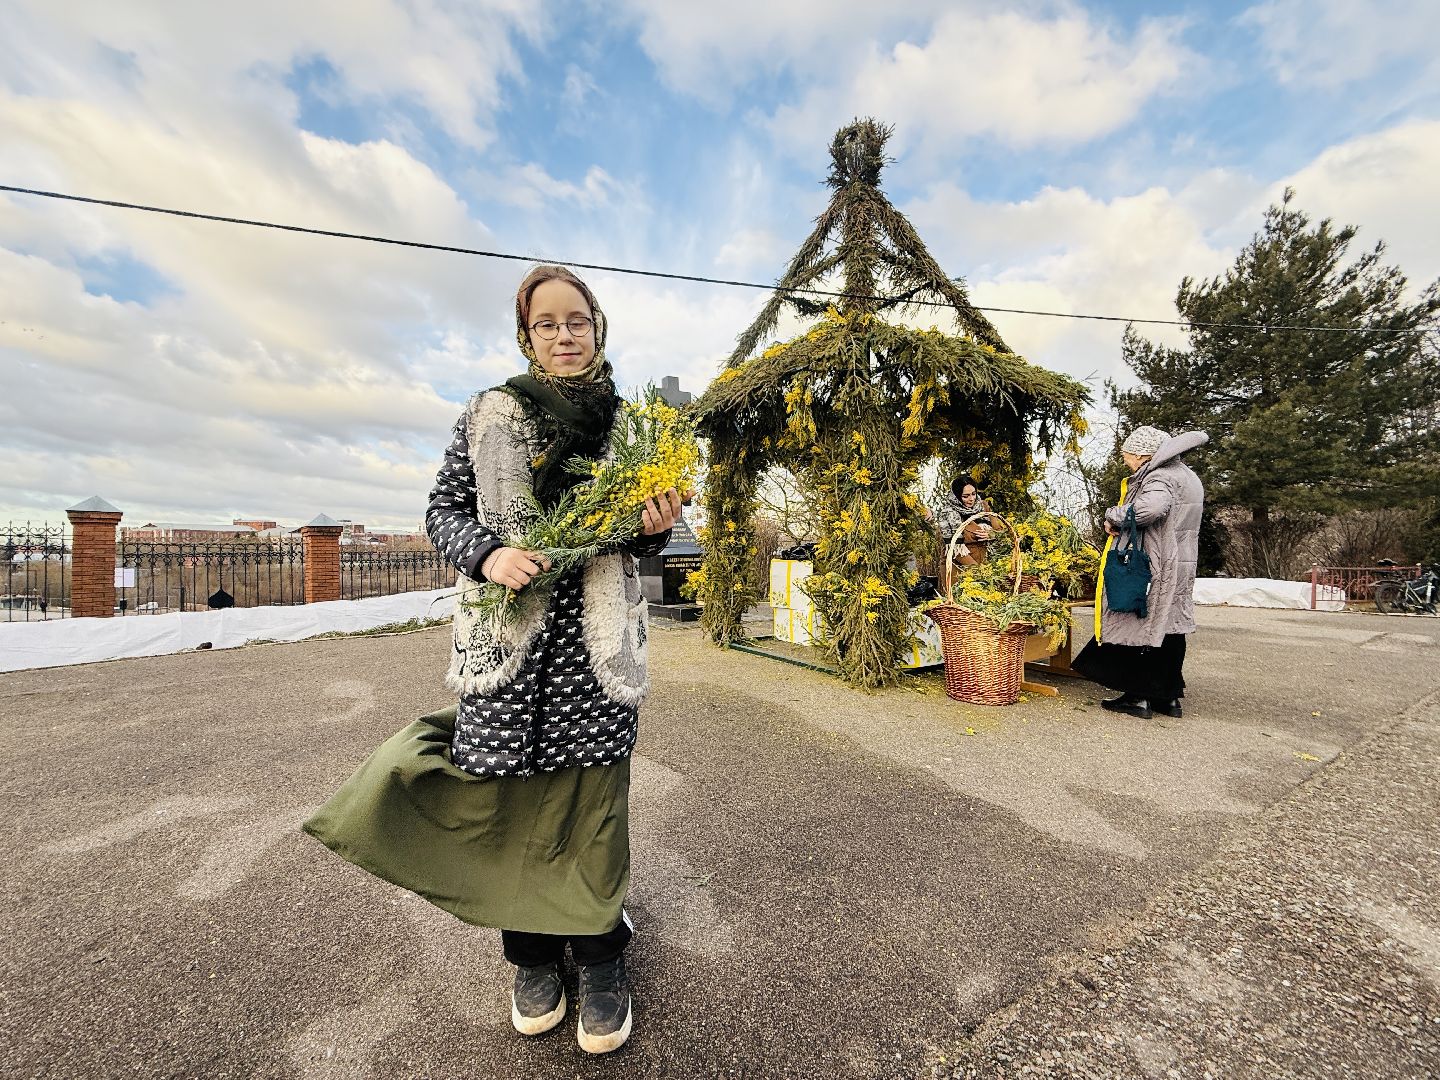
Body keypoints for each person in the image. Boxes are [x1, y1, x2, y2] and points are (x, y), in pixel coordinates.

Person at [304, 264, 682, 1055]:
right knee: (509, 802)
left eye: (577, 320)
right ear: (527, 336)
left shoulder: (636, 425)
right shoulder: (491, 413)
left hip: (596, 644)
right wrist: (488, 554)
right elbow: (442, 510)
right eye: (547, 324)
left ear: (598, 326)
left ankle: (603, 956)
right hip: (509, 644)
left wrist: (654, 527)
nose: (564, 334)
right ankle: (533, 958)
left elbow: (644, 542)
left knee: (593, 805)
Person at [1072, 425, 1208, 719]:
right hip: (1180, 561)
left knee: (1142, 622)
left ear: (1143, 454)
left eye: (1128, 456)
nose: (1126, 462)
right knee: (1170, 626)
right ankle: (1167, 696)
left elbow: (1149, 510)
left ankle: (1138, 697)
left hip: (1156, 562)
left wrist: (1114, 515)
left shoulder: (1159, 476)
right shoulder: (1188, 476)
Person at [932, 474, 994, 566]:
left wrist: (990, 534)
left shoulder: (983, 507)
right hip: (958, 566)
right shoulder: (949, 514)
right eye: (966, 496)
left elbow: (1001, 531)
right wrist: (977, 571)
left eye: (974, 494)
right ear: (957, 496)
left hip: (983, 562)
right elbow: (954, 548)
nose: (971, 499)